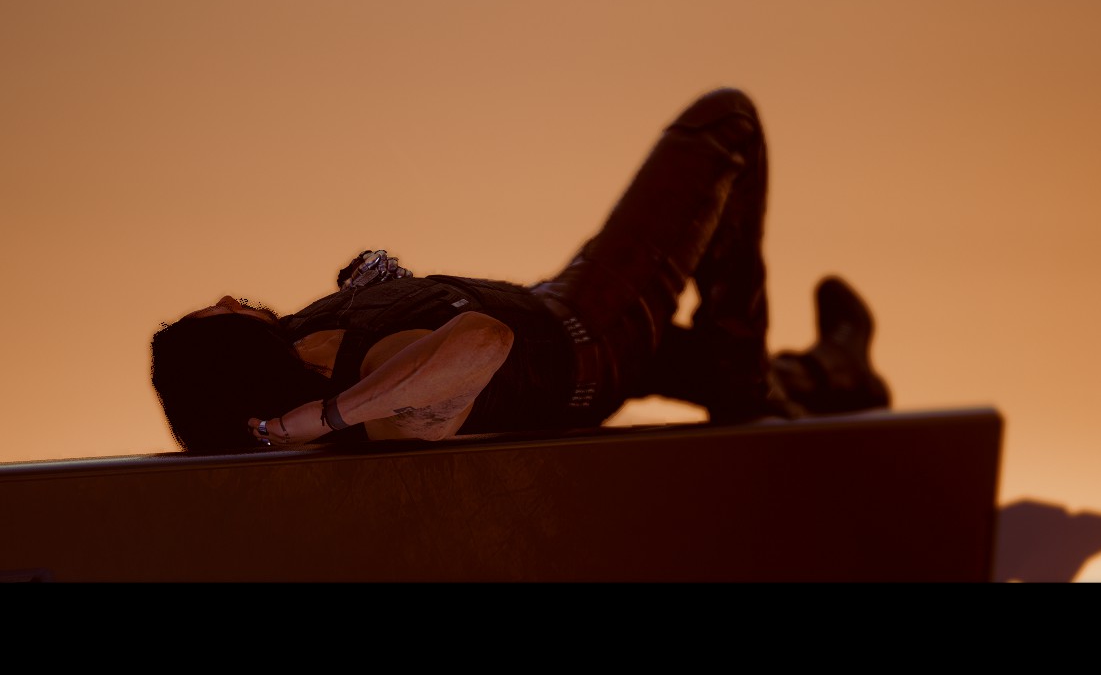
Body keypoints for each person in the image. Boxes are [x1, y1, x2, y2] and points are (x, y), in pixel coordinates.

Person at [149, 88, 892, 454]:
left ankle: (833, 371)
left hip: (555, 316)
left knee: (691, 361)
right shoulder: (368, 392)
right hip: (589, 329)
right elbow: (482, 344)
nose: (230, 297)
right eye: (224, 311)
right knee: (725, 121)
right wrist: (321, 416)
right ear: (240, 361)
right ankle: (740, 370)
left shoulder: (299, 343)